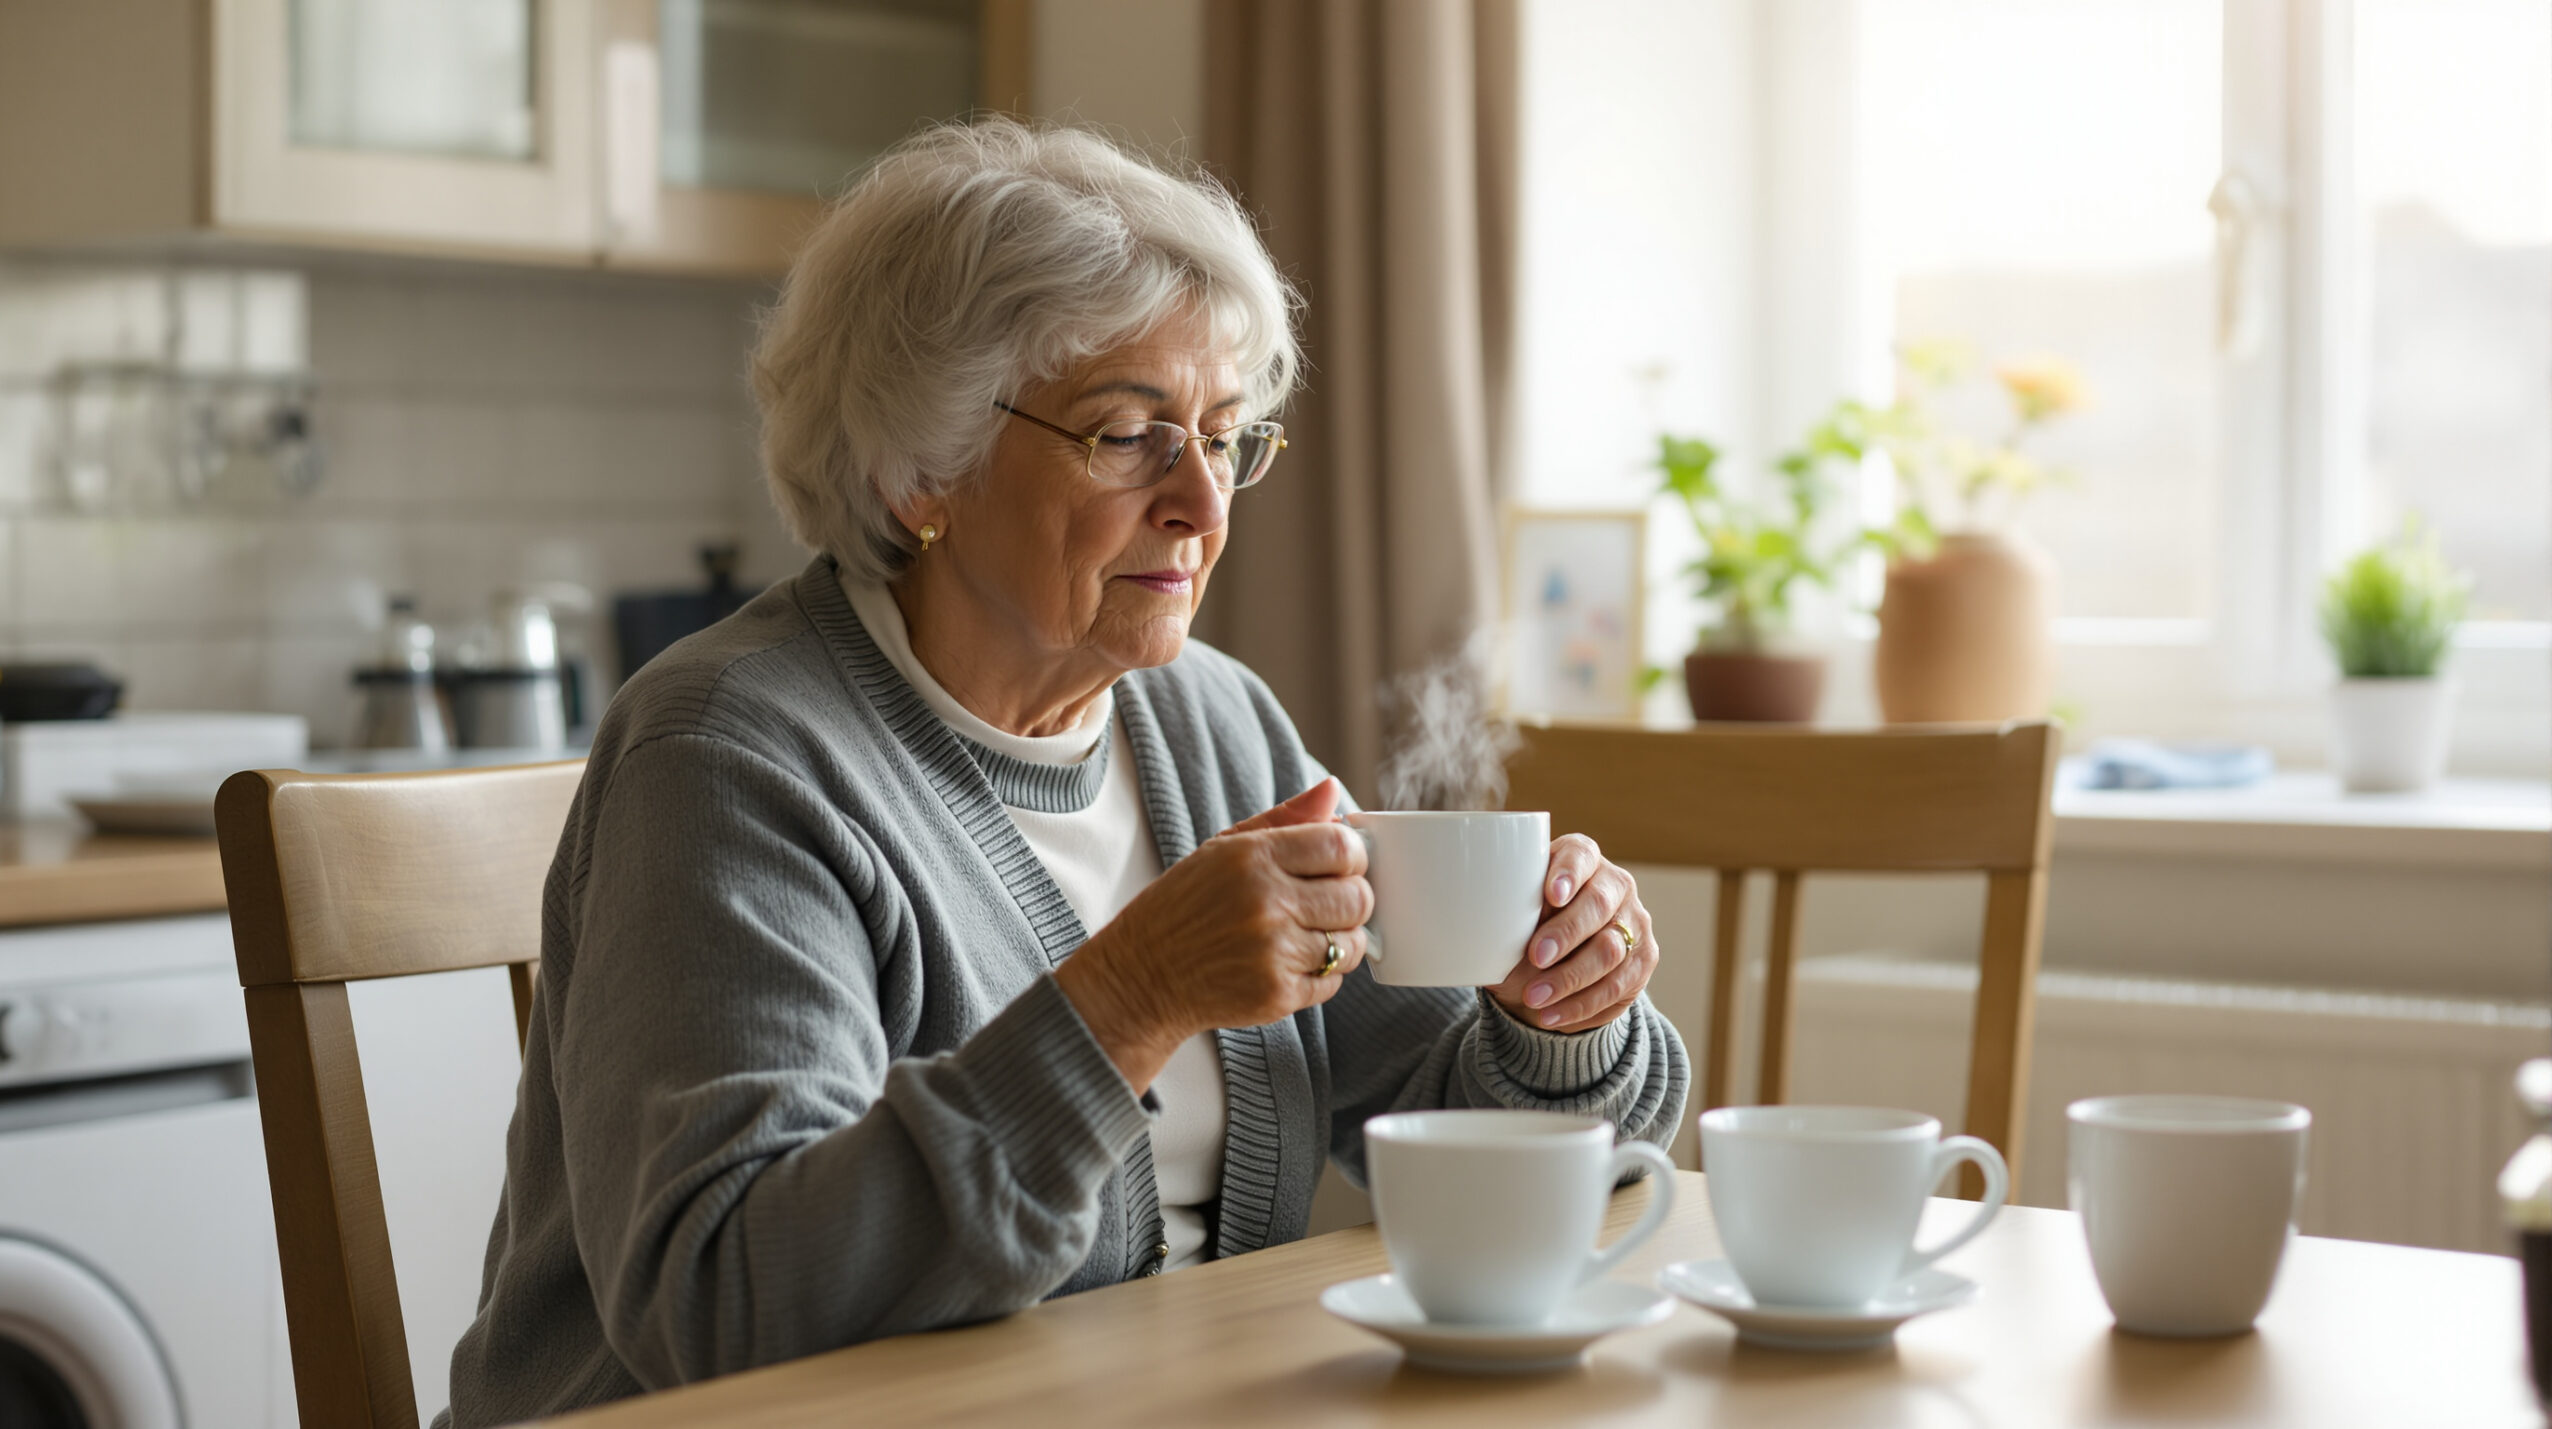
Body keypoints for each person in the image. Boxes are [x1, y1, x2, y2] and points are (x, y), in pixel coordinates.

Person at [441, 119, 1687, 1425]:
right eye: (1129, 434)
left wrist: (1557, 1021)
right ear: (923, 468)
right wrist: (1129, 997)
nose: (1205, 505)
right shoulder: (730, 756)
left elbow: (1449, 1123)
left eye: (1224, 434)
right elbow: (732, 1302)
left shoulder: (1211, 725)